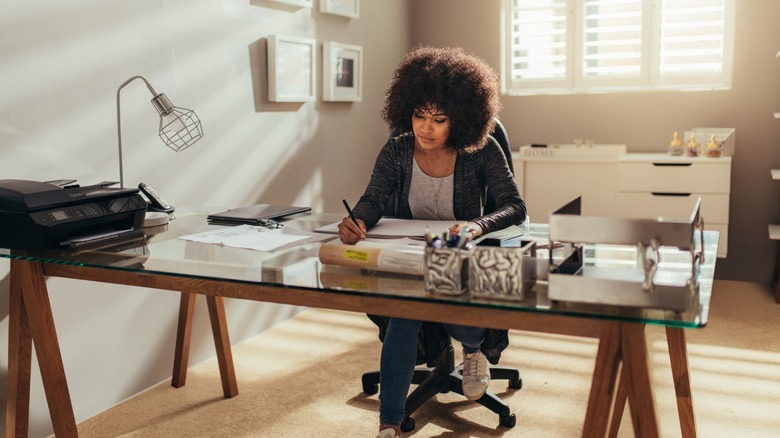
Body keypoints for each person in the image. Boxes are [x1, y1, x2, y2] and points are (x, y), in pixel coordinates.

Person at [336, 46, 527, 438]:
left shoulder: (481, 150)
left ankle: (473, 354)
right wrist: (357, 218)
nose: (425, 127)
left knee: (461, 320)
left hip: (460, 254)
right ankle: (389, 422)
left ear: (460, 119)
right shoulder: (398, 149)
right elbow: (374, 199)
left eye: (438, 119)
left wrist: (476, 226)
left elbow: (514, 206)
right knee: (404, 312)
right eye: (419, 116)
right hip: (412, 256)